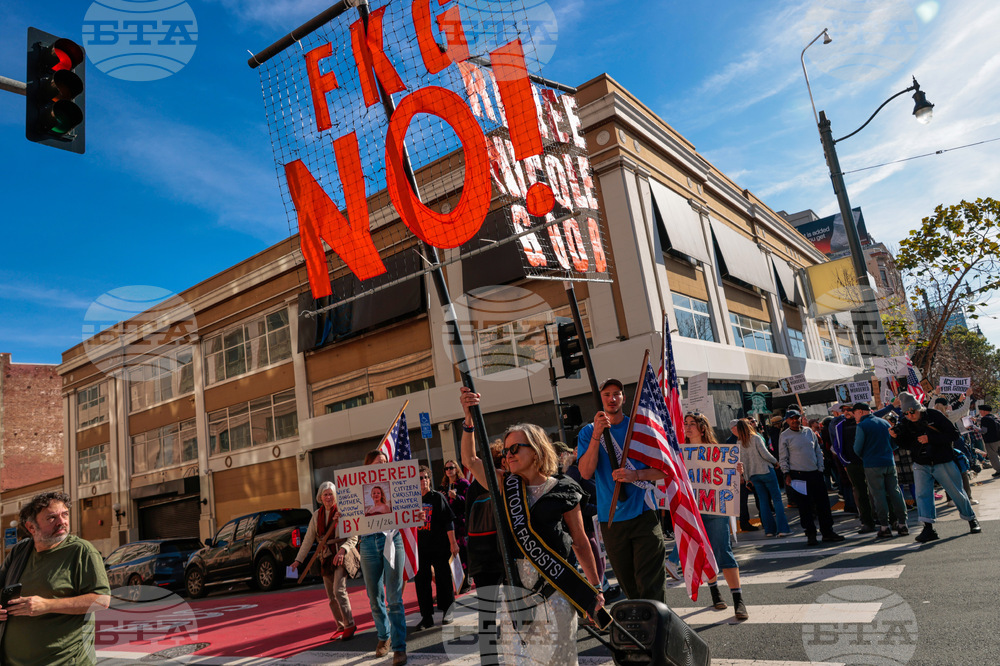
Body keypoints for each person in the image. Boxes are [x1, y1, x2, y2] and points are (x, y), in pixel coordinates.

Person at [461, 387, 603, 666]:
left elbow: (580, 540)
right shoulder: (505, 485)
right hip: (515, 595)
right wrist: (468, 420)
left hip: (556, 592)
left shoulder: (563, 489)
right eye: (506, 449)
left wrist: (595, 590)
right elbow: (471, 460)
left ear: (536, 451)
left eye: (516, 448)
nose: (508, 454)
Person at [577, 378, 667, 603]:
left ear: (624, 398)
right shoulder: (588, 432)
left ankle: (659, 630)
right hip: (612, 519)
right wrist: (597, 435)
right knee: (630, 587)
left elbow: (664, 470)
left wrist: (636, 475)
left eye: (616, 393)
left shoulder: (640, 427)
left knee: (651, 583)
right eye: (606, 394)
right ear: (600, 399)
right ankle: (641, 631)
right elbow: (586, 472)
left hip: (644, 514)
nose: (612, 398)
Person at [0, 491, 111, 665]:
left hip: (64, 661)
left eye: (65, 514)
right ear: (31, 527)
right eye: (52, 518)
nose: (62, 522)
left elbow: (102, 600)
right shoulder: (19, 552)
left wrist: (46, 605)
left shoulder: (81, 551)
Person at [667, 413, 749, 620]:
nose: (687, 427)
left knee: (723, 551)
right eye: (685, 424)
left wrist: (737, 472)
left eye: (691, 424)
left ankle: (738, 600)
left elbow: (734, 485)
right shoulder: (680, 454)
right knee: (703, 551)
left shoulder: (720, 453)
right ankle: (715, 592)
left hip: (716, 509)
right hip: (692, 510)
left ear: (702, 428)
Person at [891, 392, 982, 542]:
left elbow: (953, 435)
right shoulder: (905, 423)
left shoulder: (934, 415)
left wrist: (930, 438)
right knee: (922, 495)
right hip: (921, 463)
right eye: (906, 413)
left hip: (942, 461)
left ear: (918, 408)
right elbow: (906, 444)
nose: (910, 415)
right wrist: (895, 437)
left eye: (912, 412)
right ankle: (928, 528)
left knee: (956, 492)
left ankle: (972, 520)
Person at [357, 450, 410, 666]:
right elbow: (351, 516)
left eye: (386, 462)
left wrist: (417, 513)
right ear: (368, 465)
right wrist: (343, 515)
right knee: (374, 595)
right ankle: (383, 635)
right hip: (368, 543)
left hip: (392, 540)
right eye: (379, 462)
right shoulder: (357, 490)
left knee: (394, 598)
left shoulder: (395, 487)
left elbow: (409, 507)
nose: (383, 465)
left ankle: (399, 648)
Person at [291, 481, 357, 641]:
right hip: (325, 557)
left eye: (331, 494)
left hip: (342, 554)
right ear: (320, 497)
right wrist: (297, 561)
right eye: (325, 494)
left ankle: (350, 624)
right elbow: (308, 540)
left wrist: (343, 550)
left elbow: (354, 536)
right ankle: (340, 625)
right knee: (331, 596)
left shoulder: (343, 512)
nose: (328, 497)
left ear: (336, 496)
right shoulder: (316, 516)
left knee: (338, 590)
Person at [779, 410, 845, 546]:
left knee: (823, 504)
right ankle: (811, 533)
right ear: (787, 421)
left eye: (797, 417)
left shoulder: (809, 432)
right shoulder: (784, 436)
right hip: (798, 475)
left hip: (815, 473)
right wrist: (786, 473)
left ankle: (827, 532)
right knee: (805, 506)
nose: (794, 420)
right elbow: (783, 457)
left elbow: (817, 451)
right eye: (791, 419)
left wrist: (820, 468)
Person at [411, 465, 460, 631]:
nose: (423, 480)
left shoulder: (437, 497)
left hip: (439, 545)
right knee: (421, 582)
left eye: (425, 477)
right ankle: (426, 617)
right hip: (420, 548)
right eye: (419, 478)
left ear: (429, 479)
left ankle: (448, 611)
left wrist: (453, 543)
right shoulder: (411, 500)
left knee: (443, 578)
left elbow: (448, 520)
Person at [853, 402, 909, 540]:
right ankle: (902, 523)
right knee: (895, 492)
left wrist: (865, 456)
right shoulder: (884, 423)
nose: (854, 416)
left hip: (872, 464)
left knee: (879, 496)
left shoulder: (862, 425)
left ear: (860, 411)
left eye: (854, 413)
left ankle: (885, 526)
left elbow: (857, 448)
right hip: (888, 462)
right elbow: (894, 443)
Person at [736, 418, 790, 537]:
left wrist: (746, 477)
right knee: (777, 499)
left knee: (763, 501)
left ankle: (769, 530)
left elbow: (741, 462)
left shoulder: (739, 443)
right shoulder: (756, 438)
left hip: (753, 475)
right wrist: (776, 462)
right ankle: (783, 529)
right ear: (749, 426)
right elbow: (765, 454)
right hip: (765, 470)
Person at [439, 459, 471, 592]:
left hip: (460, 523)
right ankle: (458, 582)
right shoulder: (444, 486)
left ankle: (466, 582)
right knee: (453, 554)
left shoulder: (463, 483)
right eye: (446, 469)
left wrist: (457, 497)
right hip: (449, 526)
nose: (449, 471)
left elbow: (469, 501)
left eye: (451, 468)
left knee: (462, 552)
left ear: (456, 469)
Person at [976, 404, 1000, 477]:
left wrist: (976, 429)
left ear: (984, 411)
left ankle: (999, 471)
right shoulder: (994, 417)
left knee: (993, 457)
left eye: (980, 411)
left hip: (990, 441)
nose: (980, 412)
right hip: (998, 439)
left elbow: (984, 431)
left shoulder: (984, 419)